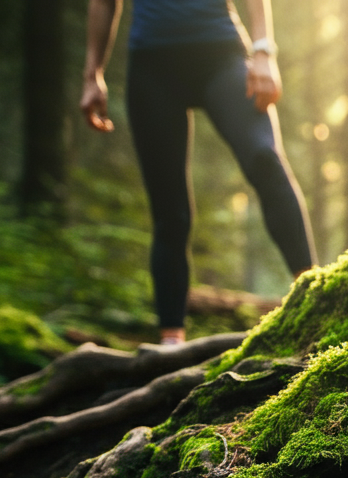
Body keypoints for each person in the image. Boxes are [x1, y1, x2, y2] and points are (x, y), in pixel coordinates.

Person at [80, 0, 316, 344]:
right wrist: (92, 74)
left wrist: (264, 51)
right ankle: (172, 346)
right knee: (170, 213)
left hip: (221, 56)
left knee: (265, 157)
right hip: (152, 67)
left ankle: (316, 296)